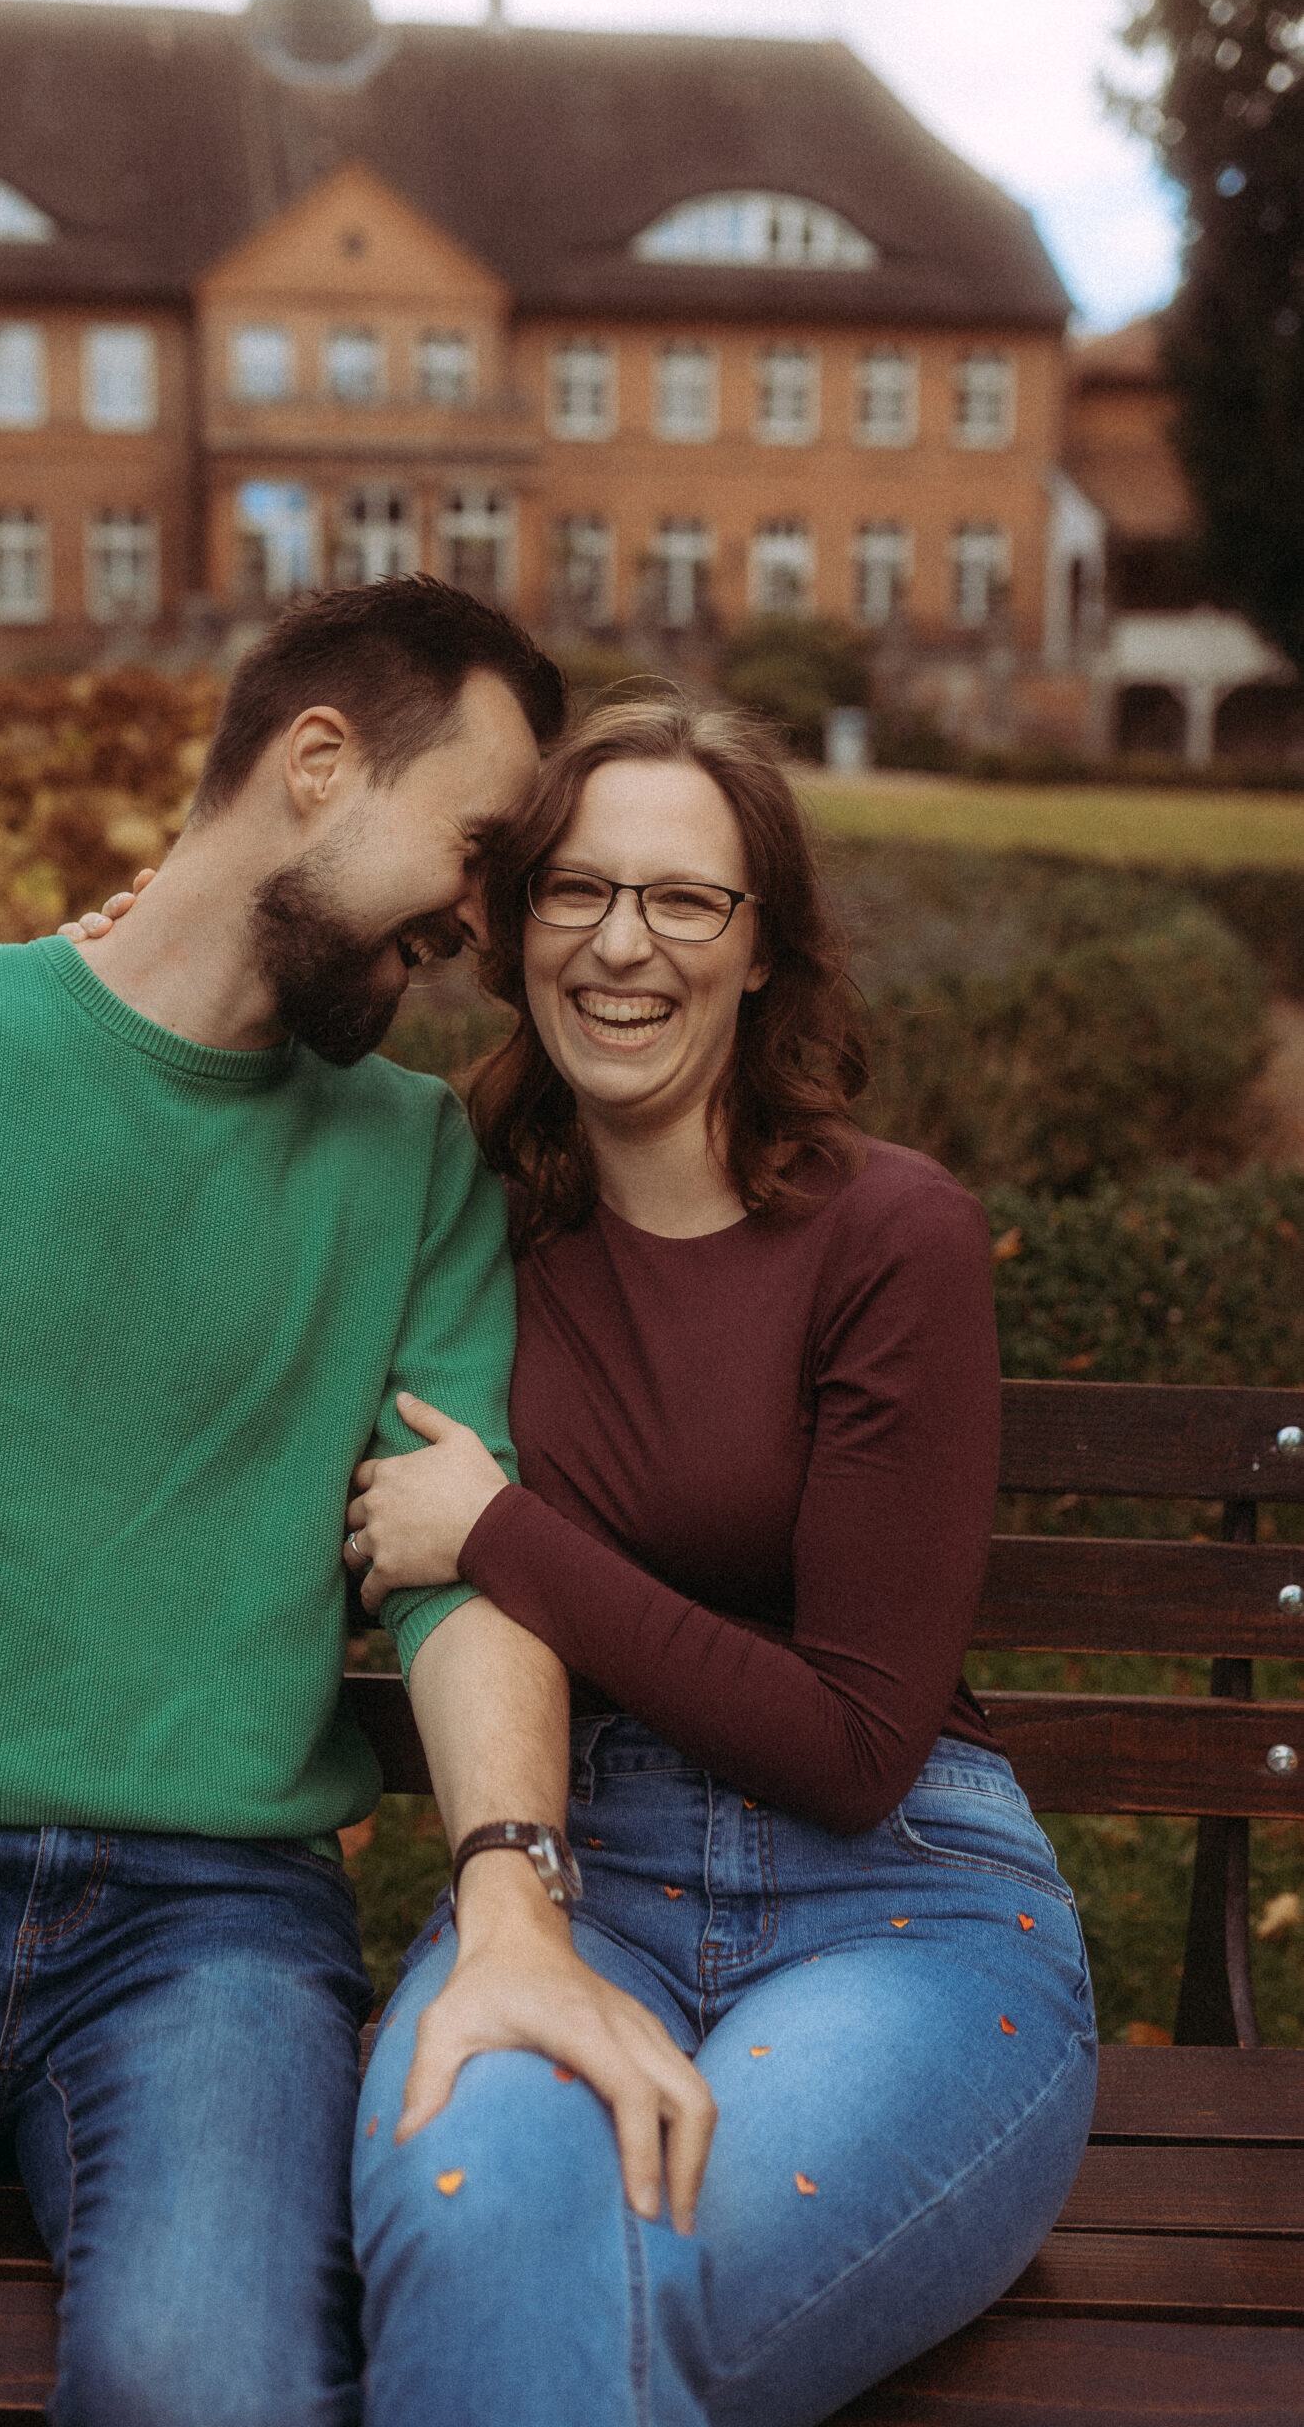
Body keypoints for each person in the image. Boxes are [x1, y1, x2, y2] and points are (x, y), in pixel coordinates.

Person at [0, 581, 713, 2427]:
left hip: (210, 1932)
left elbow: (452, 1569)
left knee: (206, 2388)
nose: (483, 920)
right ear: (317, 764)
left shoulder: (412, 1153)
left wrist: (515, 1903)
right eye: (474, 850)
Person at [338, 691, 1100, 2427]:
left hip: (902, 1911)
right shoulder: (452, 1195)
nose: (624, 945)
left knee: (622, 2278)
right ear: (512, 924)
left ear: (764, 953)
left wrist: (501, 1537)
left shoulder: (889, 1236)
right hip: (560, 1882)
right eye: (575, 892)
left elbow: (853, 1748)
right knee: (481, 2242)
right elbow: (210, 1091)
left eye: (687, 900)